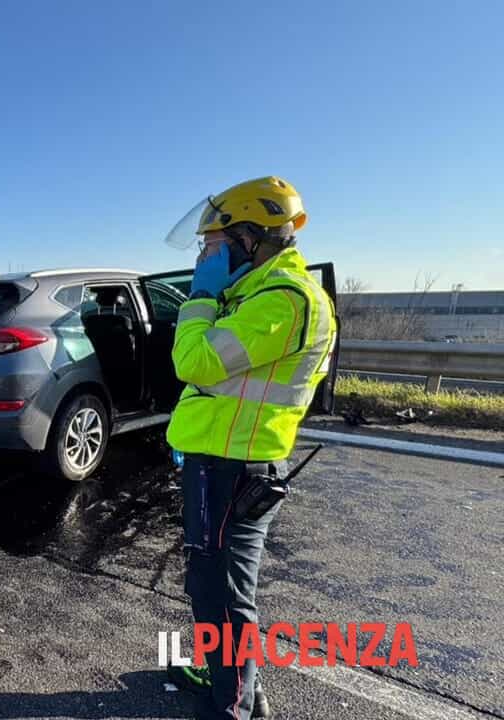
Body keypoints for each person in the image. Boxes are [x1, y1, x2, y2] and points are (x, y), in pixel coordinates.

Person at [164, 177, 336, 720]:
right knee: (208, 584)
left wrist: (199, 296)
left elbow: (194, 363)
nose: (204, 257)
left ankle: (233, 706)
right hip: (218, 460)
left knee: (224, 597)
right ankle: (233, 680)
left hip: (233, 468)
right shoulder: (258, 294)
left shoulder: (283, 300)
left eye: (211, 245)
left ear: (247, 238)